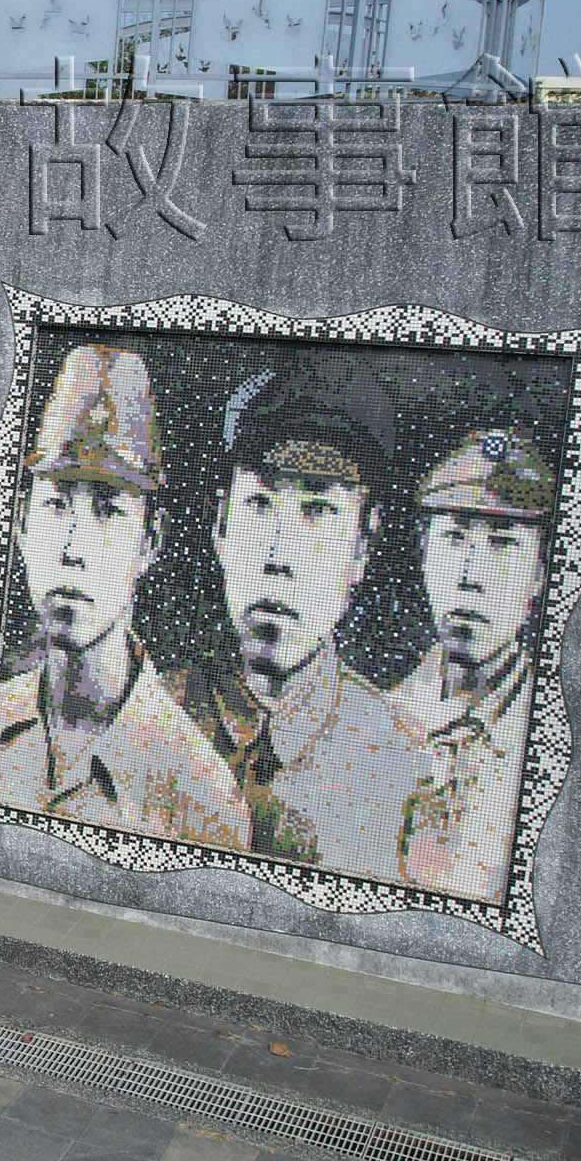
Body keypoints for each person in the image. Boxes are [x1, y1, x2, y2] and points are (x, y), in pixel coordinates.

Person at [166, 356, 426, 881]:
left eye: (317, 511)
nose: (278, 555)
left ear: (363, 545)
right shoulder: (154, 716)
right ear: (220, 526)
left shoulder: (402, 764)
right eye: (259, 504)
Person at [0, 345, 249, 846]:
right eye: (57, 505)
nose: (73, 550)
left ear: (150, 543)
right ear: (21, 523)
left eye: (108, 511)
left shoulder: (201, 792)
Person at [392, 427, 556, 901]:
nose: (470, 577)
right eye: (454, 537)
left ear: (540, 574)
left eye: (502, 544)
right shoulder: (375, 719)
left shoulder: (544, 742)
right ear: (423, 553)